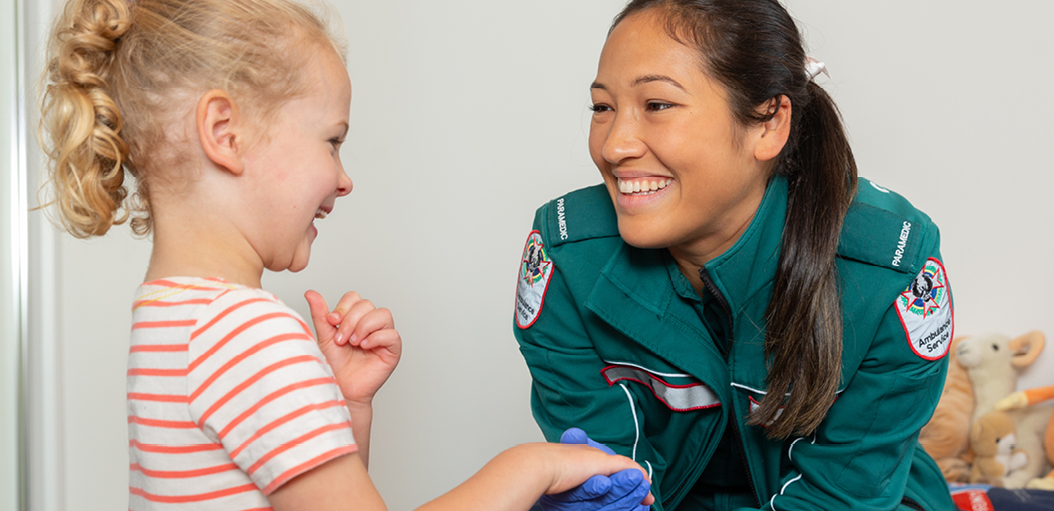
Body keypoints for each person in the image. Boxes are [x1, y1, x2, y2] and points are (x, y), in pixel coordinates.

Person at [37, 0, 655, 509]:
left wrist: (344, 406)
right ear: (225, 134)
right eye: (332, 141)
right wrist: (528, 469)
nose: (343, 179)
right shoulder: (247, 332)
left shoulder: (168, 317)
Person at [512, 1, 957, 510]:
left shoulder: (891, 268)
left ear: (768, 122)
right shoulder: (566, 256)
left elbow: (844, 494)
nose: (614, 147)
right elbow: (612, 478)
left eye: (657, 105)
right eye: (602, 108)